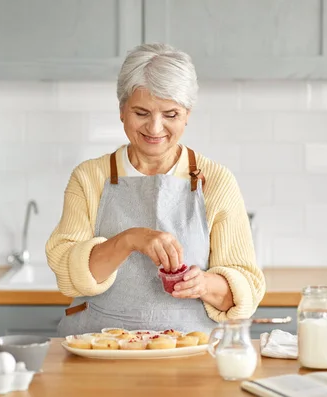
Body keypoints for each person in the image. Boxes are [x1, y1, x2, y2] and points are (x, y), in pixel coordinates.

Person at [46, 43, 266, 336]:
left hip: (190, 353)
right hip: (98, 352)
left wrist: (204, 285)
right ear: (122, 110)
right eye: (141, 112)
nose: (155, 127)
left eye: (171, 114)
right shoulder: (90, 177)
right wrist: (129, 240)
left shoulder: (215, 181)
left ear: (187, 114)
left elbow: (246, 290)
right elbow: (67, 276)